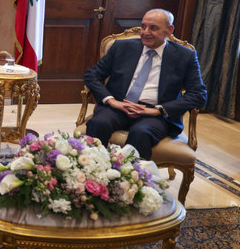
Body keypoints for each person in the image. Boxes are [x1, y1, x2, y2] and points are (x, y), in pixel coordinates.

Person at [83, 9, 207, 159]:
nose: (145, 32)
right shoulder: (122, 47)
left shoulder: (184, 56)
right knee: (99, 123)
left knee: (141, 133)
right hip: (119, 106)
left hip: (154, 114)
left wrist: (158, 110)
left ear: (169, 30)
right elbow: (92, 75)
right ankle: (93, 174)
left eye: (153, 28)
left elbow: (198, 94)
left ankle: (130, 179)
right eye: (143, 26)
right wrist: (112, 101)